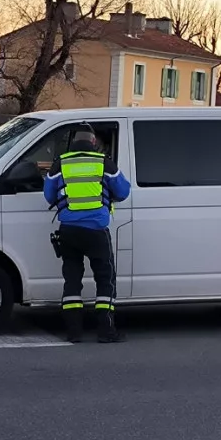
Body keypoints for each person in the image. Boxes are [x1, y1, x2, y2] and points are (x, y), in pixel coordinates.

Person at [43, 128, 131, 343]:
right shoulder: (104, 163)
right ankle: (106, 331)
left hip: (69, 231)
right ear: (93, 141)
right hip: (96, 231)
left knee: (72, 280)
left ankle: (73, 332)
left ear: (75, 141)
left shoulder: (59, 163)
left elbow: (48, 195)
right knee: (105, 280)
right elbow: (123, 192)